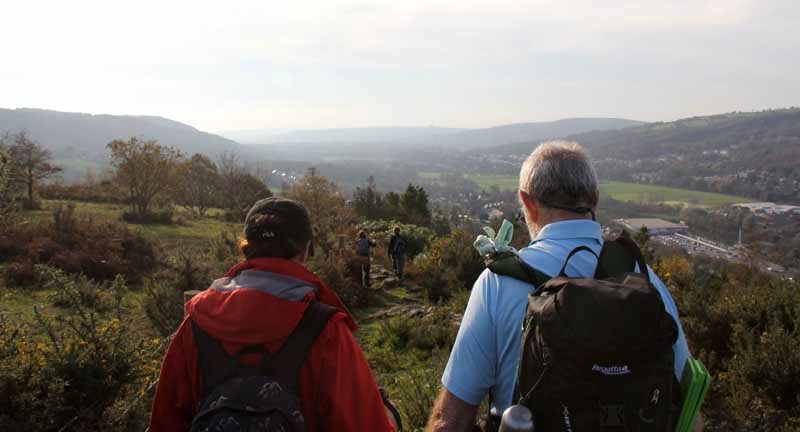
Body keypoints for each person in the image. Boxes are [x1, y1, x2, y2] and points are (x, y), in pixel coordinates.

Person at [426, 141, 701, 431]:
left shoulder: (498, 283)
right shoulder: (645, 281)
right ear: (593, 201)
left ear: (528, 203)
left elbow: (450, 421)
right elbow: (689, 413)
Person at [149, 197, 397, 432]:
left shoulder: (197, 321)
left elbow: (165, 421)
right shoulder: (326, 331)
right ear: (306, 250)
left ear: (245, 248)